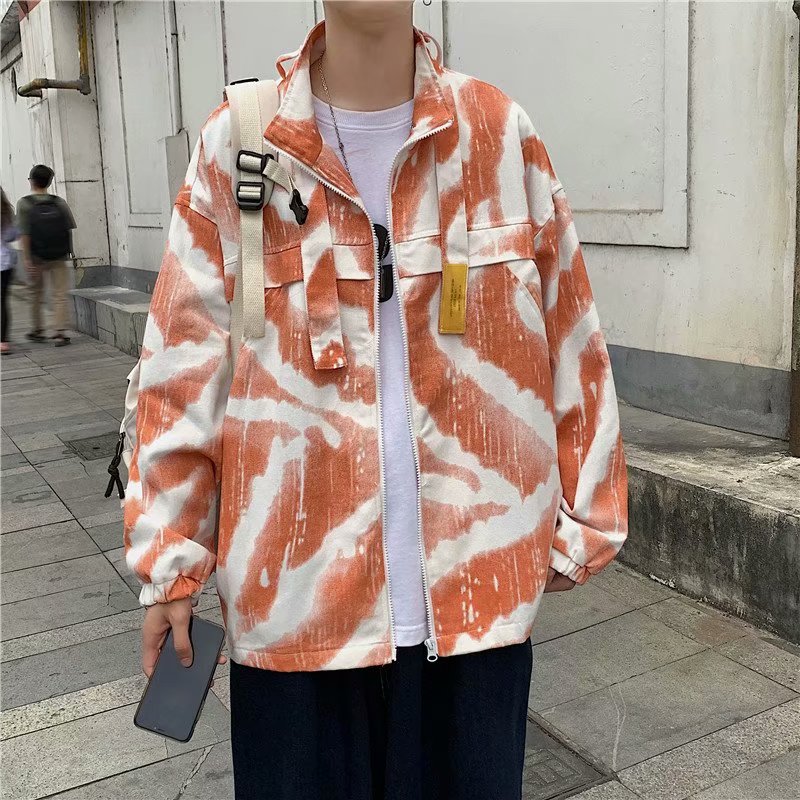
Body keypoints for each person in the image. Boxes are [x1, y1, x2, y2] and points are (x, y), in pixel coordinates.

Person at [125, 3, 628, 799]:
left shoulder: (498, 135)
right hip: (293, 620)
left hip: (474, 615)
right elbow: (180, 366)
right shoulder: (241, 144)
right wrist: (170, 565)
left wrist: (586, 519)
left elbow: (572, 333)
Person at [16, 164, 75, 347]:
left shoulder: (24, 203)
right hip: (58, 255)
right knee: (59, 294)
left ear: (31, 181)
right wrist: (69, 251)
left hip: (36, 257)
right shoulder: (59, 202)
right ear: (49, 182)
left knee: (35, 293)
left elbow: (24, 233)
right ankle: (59, 333)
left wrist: (26, 258)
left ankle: (38, 330)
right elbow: (69, 227)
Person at [1, 188, 18, 355]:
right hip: (5, 263)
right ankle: (3, 341)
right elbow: (12, 236)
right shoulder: (6, 212)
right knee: (3, 302)